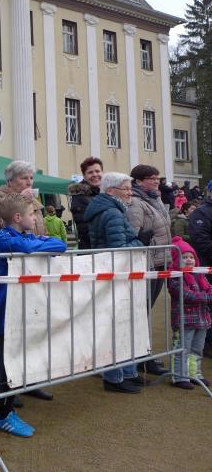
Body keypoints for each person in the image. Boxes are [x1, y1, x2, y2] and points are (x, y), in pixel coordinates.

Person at [0, 194, 67, 437]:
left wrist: (38, 243)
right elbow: (27, 248)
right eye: (32, 214)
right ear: (17, 217)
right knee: (7, 363)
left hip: (21, 309)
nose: (35, 219)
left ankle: (11, 405)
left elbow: (60, 245)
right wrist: (38, 244)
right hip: (3, 311)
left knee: (19, 358)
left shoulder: (24, 236)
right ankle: (4, 415)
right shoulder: (0, 237)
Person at [84, 172, 148, 393]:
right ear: (111, 191)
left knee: (122, 326)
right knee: (116, 328)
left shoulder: (110, 209)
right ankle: (115, 377)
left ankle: (126, 372)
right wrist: (141, 243)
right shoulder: (112, 213)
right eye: (126, 189)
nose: (130, 193)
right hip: (115, 275)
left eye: (130, 188)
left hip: (115, 275)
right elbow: (118, 249)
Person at [127, 165, 172, 375]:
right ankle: (139, 357)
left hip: (160, 262)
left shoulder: (156, 199)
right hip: (147, 264)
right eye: (151, 178)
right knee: (141, 313)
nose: (156, 181)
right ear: (138, 181)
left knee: (146, 312)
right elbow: (133, 235)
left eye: (157, 178)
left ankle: (144, 355)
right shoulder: (136, 203)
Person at [167, 236, 212, 389]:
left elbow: (209, 289)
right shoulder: (175, 278)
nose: (189, 260)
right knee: (182, 348)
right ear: (176, 260)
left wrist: (205, 296)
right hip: (184, 321)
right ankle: (179, 376)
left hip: (202, 319)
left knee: (197, 349)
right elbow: (188, 295)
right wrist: (206, 297)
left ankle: (194, 374)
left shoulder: (200, 275)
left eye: (191, 257)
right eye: (184, 257)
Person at [0, 160, 46, 236]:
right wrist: (20, 199)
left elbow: (43, 230)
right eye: (24, 178)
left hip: (35, 243)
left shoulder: (32, 200)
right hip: (9, 243)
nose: (29, 183)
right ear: (10, 181)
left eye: (31, 178)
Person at [189, 180, 212, 358]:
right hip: (207, 268)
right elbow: (201, 240)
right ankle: (207, 344)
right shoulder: (201, 212)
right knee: (208, 306)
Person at [68, 156, 103, 249]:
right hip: (91, 249)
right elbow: (85, 229)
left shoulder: (104, 194)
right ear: (84, 176)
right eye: (90, 172)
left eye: (97, 171)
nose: (95, 174)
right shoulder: (80, 196)